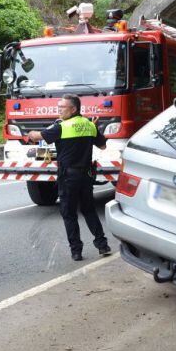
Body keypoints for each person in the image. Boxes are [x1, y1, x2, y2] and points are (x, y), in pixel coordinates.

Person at [28, 94, 111, 261]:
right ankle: (102, 245)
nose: (59, 111)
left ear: (73, 109)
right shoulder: (89, 125)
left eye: (62, 107)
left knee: (69, 213)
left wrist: (30, 132)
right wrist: (94, 130)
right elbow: (103, 145)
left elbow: (37, 136)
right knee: (88, 210)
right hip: (86, 175)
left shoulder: (61, 127)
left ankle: (76, 251)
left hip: (68, 177)